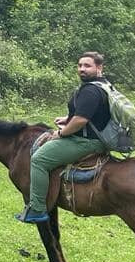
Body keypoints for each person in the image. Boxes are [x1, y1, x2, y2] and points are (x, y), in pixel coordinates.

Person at [16, 51, 111, 223]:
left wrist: (60, 132)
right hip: (96, 137)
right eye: (80, 65)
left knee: (39, 159)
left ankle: (37, 208)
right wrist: (68, 119)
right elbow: (92, 113)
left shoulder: (90, 91)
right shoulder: (103, 85)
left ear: (99, 67)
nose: (82, 69)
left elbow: (82, 119)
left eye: (87, 66)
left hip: (86, 142)